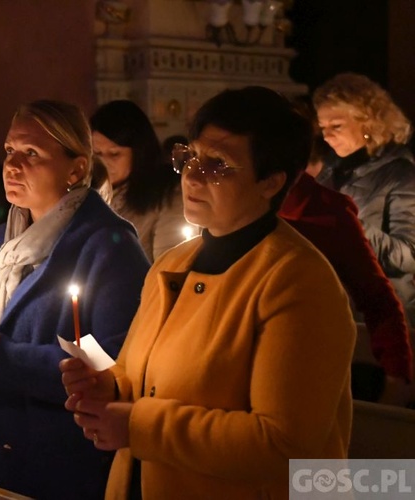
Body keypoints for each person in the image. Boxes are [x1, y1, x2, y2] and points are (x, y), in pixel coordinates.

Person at [61, 87, 356, 498]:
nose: (192, 176)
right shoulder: (172, 265)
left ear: (270, 182)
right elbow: (141, 375)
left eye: (218, 165)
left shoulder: (298, 282)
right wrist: (109, 386)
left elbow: (283, 441)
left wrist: (136, 425)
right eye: (190, 156)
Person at [0, 100, 150, 499]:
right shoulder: (0, 241)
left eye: (32, 154)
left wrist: (3, 357)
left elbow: (115, 363)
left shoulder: (108, 246)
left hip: (56, 465)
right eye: (11, 150)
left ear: (77, 169)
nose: (12, 165)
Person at [280, 139, 412, 405]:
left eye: (221, 163)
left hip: (304, 375)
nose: (195, 176)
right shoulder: (215, 209)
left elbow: (382, 290)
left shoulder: (322, 211)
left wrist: (397, 375)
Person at [313, 73, 415, 328]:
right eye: (323, 128)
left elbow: (409, 255)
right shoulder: (330, 171)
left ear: (368, 123)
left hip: (382, 316)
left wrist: (352, 226)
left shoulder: (400, 174)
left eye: (336, 126)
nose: (326, 136)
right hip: (334, 306)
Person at [90, 100, 187, 261]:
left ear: (138, 152)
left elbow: (169, 270)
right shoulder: (85, 194)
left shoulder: (167, 198)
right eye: (97, 153)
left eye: (114, 154)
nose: (103, 163)